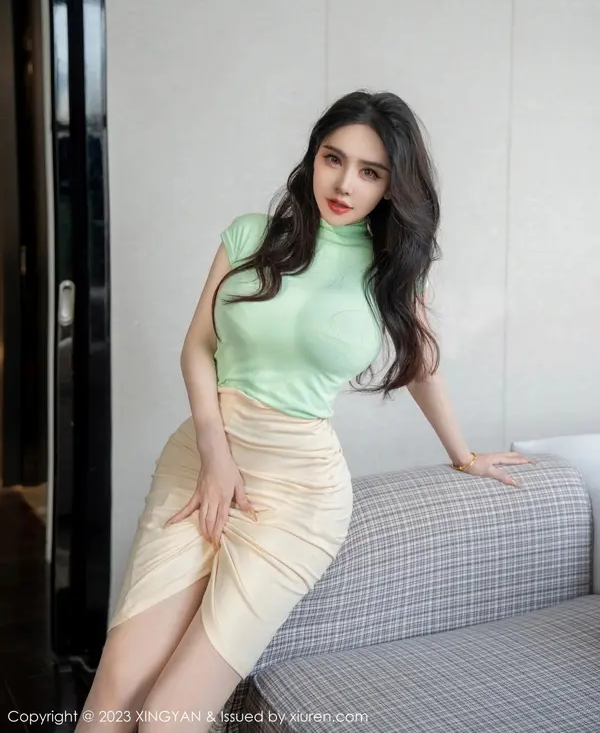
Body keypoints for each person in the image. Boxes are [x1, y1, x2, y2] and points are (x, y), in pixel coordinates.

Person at [77, 90, 535, 733]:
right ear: (313, 156)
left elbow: (422, 368)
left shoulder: (392, 271)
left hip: (295, 497)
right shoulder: (251, 235)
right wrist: (213, 449)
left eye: (370, 172)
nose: (345, 184)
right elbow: (198, 346)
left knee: (165, 718)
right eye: (333, 158)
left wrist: (463, 456)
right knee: (113, 692)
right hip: (199, 463)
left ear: (392, 186)